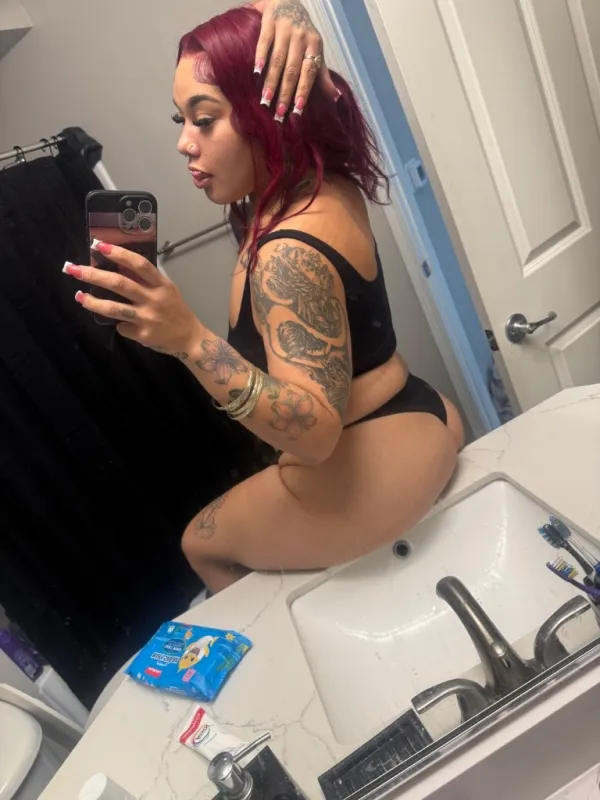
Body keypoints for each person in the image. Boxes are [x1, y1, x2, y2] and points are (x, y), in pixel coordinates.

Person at [63, 1, 464, 594]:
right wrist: (284, 11)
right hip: (420, 411)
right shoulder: (326, 181)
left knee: (200, 545)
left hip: (366, 467)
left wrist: (189, 340)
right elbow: (314, 82)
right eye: (180, 119)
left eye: (204, 119)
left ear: (269, 112)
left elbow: (316, 435)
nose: (184, 143)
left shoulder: (286, 251)